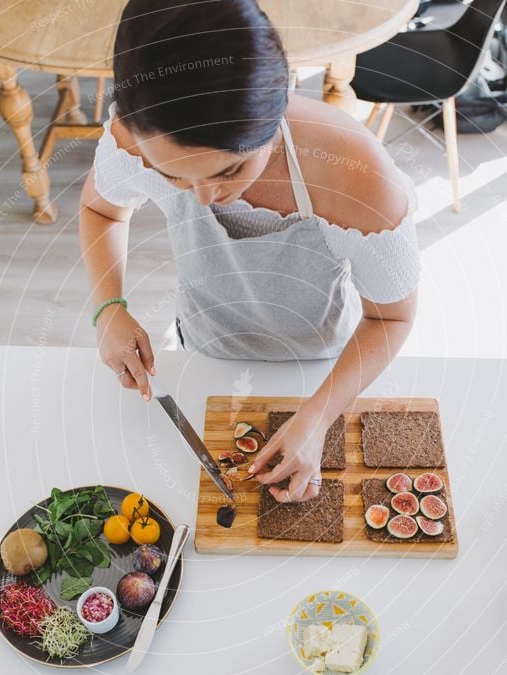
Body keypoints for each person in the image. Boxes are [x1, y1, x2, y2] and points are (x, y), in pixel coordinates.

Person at [80, 0, 420, 504]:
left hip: (324, 365)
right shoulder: (135, 132)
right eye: (172, 175)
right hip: (202, 354)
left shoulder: (355, 172)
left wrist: (318, 417)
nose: (202, 198)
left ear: (279, 100)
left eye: (228, 172)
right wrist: (109, 310)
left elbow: (390, 320)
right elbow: (103, 211)